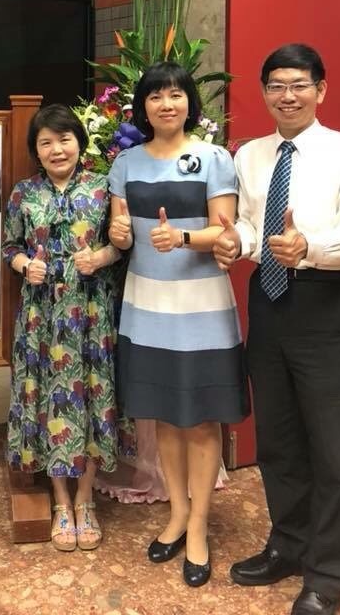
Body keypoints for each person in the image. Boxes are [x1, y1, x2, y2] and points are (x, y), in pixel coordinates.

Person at [213, 43, 340, 615]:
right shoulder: (251, 155)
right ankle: (289, 544)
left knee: (330, 445)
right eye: (276, 86)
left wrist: (308, 246)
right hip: (269, 301)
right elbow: (250, 226)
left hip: (325, 302)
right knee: (277, 438)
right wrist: (237, 242)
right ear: (264, 93)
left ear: (320, 90)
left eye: (299, 84)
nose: (287, 96)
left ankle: (331, 572)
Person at [108, 62, 249, 588]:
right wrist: (120, 234)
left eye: (175, 95)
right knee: (165, 417)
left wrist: (184, 239)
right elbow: (122, 231)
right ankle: (177, 514)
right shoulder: (125, 162)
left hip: (202, 306)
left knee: (203, 419)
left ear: (190, 102)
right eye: (155, 96)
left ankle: (199, 527)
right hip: (147, 306)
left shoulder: (212, 158)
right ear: (142, 107)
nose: (166, 104)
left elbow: (225, 232)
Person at [3, 104, 130, 551]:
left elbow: (122, 244)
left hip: (91, 314)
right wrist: (25, 265)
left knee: (93, 396)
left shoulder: (104, 188)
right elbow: (10, 246)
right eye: (46, 142)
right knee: (48, 400)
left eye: (64, 139)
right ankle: (60, 501)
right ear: (36, 150)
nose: (57, 149)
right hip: (41, 316)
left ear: (80, 142)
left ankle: (86, 500)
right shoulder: (23, 193)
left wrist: (101, 257)